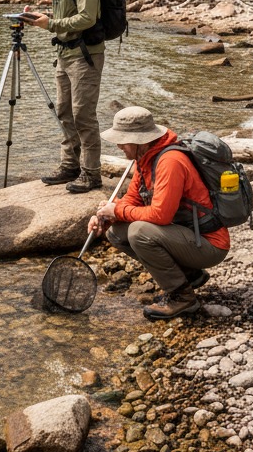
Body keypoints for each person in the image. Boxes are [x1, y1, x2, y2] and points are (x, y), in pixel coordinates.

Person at [88, 106, 231, 321]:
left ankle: (182, 297)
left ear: (141, 140)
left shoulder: (170, 162)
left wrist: (117, 209)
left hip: (210, 244)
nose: (119, 146)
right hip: (186, 235)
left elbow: (161, 216)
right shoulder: (145, 159)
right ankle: (190, 276)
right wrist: (108, 216)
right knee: (117, 232)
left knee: (139, 232)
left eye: (123, 140)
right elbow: (132, 200)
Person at [22, 0, 104, 193]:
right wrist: (41, 17)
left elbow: (88, 18)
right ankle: (70, 166)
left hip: (85, 56)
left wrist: (52, 24)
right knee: (64, 112)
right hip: (64, 55)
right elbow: (63, 16)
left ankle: (92, 174)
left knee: (84, 116)